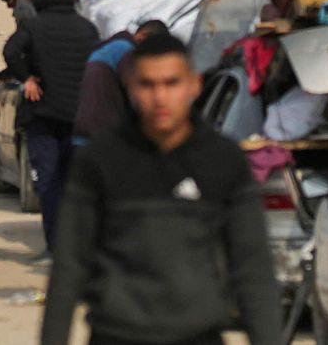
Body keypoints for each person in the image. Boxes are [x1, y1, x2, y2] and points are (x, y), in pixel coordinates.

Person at [42, 33, 280, 345]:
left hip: (199, 336)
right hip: (115, 335)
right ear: (130, 87)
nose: (160, 98)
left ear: (194, 85)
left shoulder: (223, 161)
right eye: (147, 85)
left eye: (171, 83)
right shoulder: (99, 160)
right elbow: (68, 268)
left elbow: (253, 269)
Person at [2, 0, 100, 256]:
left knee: (47, 183)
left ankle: (54, 246)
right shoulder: (87, 29)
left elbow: (10, 51)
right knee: (73, 184)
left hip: (42, 116)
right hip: (78, 117)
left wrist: (28, 78)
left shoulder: (34, 26)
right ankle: (74, 247)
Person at [72, 19, 170, 147]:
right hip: (105, 138)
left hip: (82, 133)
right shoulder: (126, 51)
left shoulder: (105, 48)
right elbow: (137, 94)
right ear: (142, 37)